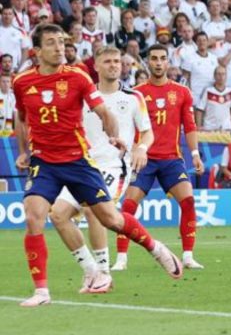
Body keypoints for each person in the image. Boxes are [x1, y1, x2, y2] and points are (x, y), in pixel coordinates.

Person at [14, 25, 181, 307]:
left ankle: (156, 248)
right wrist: (22, 151)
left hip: (79, 161)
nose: (59, 48)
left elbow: (103, 111)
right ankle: (48, 289)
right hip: (44, 161)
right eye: (52, 43)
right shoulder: (22, 82)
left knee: (110, 219)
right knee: (36, 217)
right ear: (37, 51)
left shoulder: (78, 79)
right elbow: (21, 116)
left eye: (62, 42)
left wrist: (115, 136)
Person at [46, 46, 155, 295]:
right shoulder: (84, 96)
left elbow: (147, 131)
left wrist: (142, 147)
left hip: (114, 165)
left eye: (117, 61)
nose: (114, 65)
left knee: (92, 208)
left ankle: (104, 273)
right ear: (96, 66)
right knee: (58, 215)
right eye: (107, 61)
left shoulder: (133, 97)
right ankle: (91, 271)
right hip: (83, 165)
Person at [115, 43, 203, 271]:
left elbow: (190, 126)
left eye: (162, 58)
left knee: (189, 201)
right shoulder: (137, 93)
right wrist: (133, 150)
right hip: (144, 159)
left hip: (172, 159)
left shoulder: (182, 93)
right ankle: (122, 258)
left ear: (167, 62)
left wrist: (194, 154)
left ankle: (188, 256)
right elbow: (128, 126)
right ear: (148, 61)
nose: (158, 62)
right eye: (153, 58)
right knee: (129, 207)